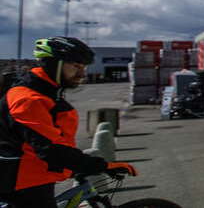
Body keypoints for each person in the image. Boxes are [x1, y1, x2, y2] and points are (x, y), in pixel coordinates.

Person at [0, 37, 138, 208]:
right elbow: (50, 149)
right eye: (75, 66)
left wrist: (76, 164)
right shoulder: (28, 99)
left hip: (34, 176)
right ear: (53, 64)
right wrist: (102, 166)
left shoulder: (47, 92)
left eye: (83, 67)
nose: (82, 73)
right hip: (20, 183)